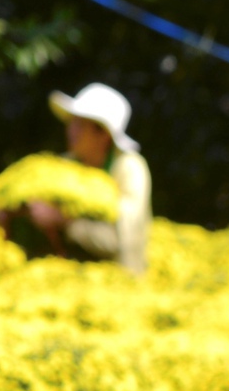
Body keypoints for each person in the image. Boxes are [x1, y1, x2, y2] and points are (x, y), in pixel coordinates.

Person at [12, 82, 152, 275]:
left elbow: (118, 240)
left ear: (103, 134)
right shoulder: (67, 163)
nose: (71, 131)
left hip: (119, 281)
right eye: (72, 123)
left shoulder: (130, 168)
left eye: (79, 125)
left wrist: (64, 221)